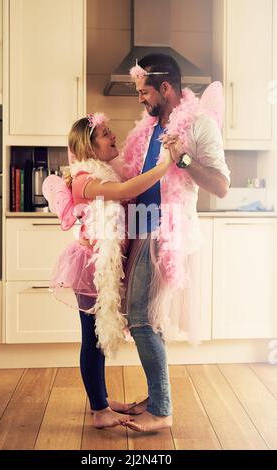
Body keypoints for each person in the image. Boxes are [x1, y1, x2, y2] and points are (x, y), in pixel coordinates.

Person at [118, 53, 231, 432]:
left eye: (143, 91)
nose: (140, 99)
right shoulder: (148, 128)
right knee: (149, 319)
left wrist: (182, 160)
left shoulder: (199, 125)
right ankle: (155, 397)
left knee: (140, 320)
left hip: (167, 232)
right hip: (139, 229)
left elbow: (221, 185)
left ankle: (162, 410)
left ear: (165, 87)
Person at [42, 112, 175, 429]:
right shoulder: (86, 180)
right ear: (90, 147)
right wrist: (166, 165)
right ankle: (100, 411)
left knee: (98, 338)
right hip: (89, 267)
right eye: (104, 133)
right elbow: (127, 190)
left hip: (99, 262)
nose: (112, 135)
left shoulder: (104, 175)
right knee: (92, 338)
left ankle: (99, 401)